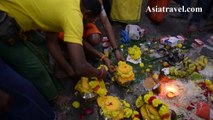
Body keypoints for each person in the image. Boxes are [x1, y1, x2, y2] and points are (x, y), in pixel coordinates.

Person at [0, 0, 108, 103]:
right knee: (35, 68)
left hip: (14, 14)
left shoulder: (72, 4)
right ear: (87, 13)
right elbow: (80, 66)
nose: (89, 24)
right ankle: (53, 99)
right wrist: (99, 72)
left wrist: (69, 70)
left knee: (42, 50)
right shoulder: (74, 17)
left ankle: (54, 84)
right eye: (90, 21)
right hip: (4, 21)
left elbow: (51, 42)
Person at [58, 0, 124, 73]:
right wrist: (102, 58)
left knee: (95, 39)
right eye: (95, 18)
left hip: (84, 18)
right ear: (87, 13)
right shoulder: (73, 13)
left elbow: (105, 21)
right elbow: (80, 39)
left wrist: (116, 49)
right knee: (74, 52)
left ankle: (81, 50)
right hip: (69, 22)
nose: (96, 20)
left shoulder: (97, 3)